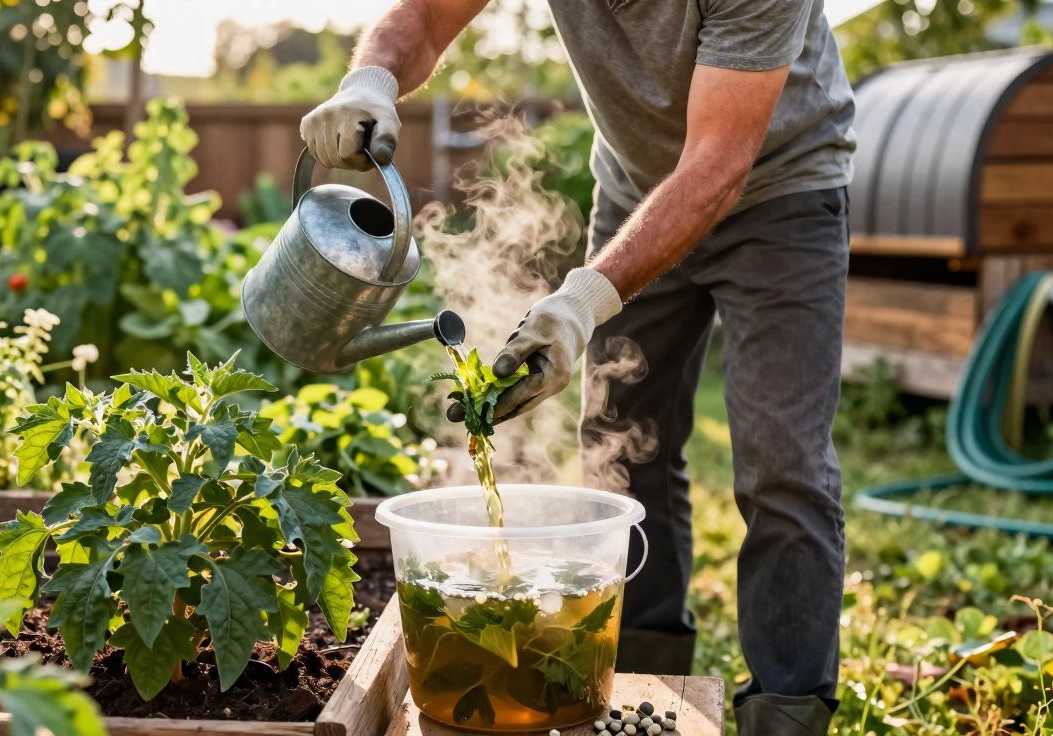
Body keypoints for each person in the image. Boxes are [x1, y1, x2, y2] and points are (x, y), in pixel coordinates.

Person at [300, 0, 855, 732]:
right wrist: (370, 79)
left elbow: (719, 163)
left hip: (781, 189)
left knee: (781, 457)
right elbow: (428, 17)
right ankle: (648, 679)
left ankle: (789, 709)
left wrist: (585, 299)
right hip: (636, 190)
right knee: (621, 437)